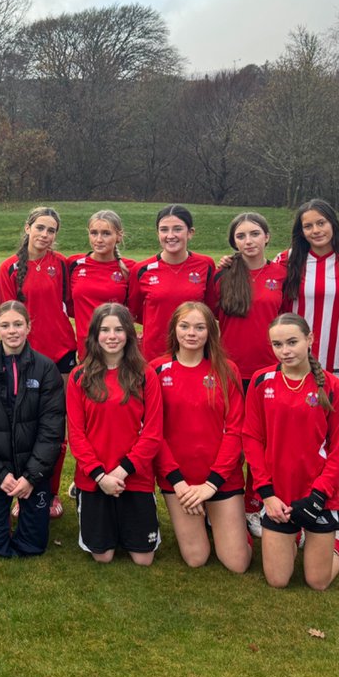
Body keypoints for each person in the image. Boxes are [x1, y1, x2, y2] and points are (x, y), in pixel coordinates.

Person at [243, 314, 339, 591]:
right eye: (277, 344)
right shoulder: (260, 381)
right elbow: (252, 438)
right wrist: (267, 494)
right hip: (277, 496)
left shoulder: (332, 387)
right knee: (278, 581)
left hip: (318, 497)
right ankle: (291, 539)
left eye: (292, 342)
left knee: (318, 582)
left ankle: (335, 541)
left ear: (310, 339)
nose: (285, 350)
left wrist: (319, 495)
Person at [0, 301, 65, 558]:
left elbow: (52, 430)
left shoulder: (46, 369)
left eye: (18, 324)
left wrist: (31, 476)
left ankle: (27, 498)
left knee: (32, 547)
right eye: (5, 325)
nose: (12, 331)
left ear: (29, 327)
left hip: (33, 475)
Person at [152, 302, 250, 573]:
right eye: (184, 326)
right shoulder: (157, 370)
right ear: (174, 329)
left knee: (237, 563)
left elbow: (235, 429)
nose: (191, 333)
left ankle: (231, 525)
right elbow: (153, 433)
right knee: (197, 558)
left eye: (199, 327)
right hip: (180, 480)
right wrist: (178, 483)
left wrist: (212, 484)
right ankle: (210, 521)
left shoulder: (226, 369)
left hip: (220, 478)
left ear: (210, 332)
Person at [67, 303, 162, 565]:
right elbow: (76, 435)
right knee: (103, 556)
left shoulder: (145, 375)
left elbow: (153, 434)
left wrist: (121, 473)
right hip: (94, 477)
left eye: (119, 329)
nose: (112, 336)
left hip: (133, 475)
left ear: (129, 335)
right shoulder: (79, 377)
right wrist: (100, 476)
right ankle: (85, 498)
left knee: (144, 559)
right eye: (105, 330)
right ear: (95, 335)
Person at [213, 212, 286, 538]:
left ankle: (256, 505)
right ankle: (227, 503)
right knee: (230, 441)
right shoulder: (224, 275)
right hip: (230, 371)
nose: (248, 241)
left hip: (270, 372)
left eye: (254, 233)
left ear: (267, 237)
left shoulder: (282, 274)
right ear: (234, 242)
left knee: (264, 444)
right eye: (241, 236)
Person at [0, 206, 73, 519]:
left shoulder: (62, 264)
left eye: (51, 230)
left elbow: (75, 300)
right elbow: (7, 316)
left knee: (58, 430)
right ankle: (22, 490)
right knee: (25, 428)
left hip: (63, 355)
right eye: (40, 227)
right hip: (26, 357)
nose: (45, 235)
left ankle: (52, 492)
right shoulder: (10, 268)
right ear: (27, 228)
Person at [276, 200, 339, 409]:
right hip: (296, 354)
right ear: (301, 231)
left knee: (336, 417)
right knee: (297, 414)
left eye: (321, 223)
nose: (316, 230)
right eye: (308, 226)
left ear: (332, 223)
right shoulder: (287, 260)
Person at [128, 204, 217, 362]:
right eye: (164, 230)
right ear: (158, 233)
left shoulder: (206, 265)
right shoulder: (141, 270)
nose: (170, 235)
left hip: (194, 352)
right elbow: (136, 312)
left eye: (177, 229)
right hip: (155, 353)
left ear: (190, 233)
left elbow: (209, 308)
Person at [67, 210, 135, 354]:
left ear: (119, 236)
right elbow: (69, 305)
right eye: (94, 233)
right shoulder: (74, 264)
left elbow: (135, 310)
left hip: (117, 349)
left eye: (106, 233)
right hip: (87, 349)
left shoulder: (130, 269)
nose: (99, 239)